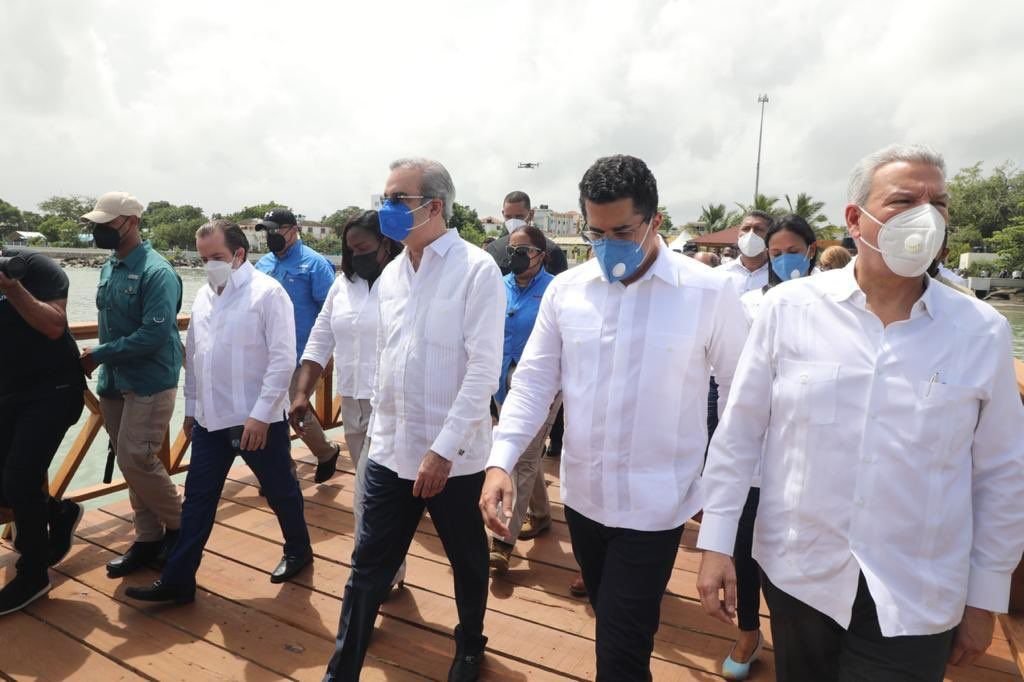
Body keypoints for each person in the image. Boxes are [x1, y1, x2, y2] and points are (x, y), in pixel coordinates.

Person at [697, 144, 1024, 682]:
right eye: (903, 200)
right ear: (856, 218)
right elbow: (739, 435)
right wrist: (715, 545)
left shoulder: (981, 331)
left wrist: (985, 596)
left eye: (938, 203)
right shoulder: (789, 309)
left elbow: (1001, 473)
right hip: (800, 575)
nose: (926, 215)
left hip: (918, 591)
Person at [480, 155, 748, 681]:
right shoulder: (567, 290)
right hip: (583, 497)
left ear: (656, 221)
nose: (607, 246)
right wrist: (501, 461)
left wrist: (721, 530)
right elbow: (534, 382)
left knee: (621, 651)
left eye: (621, 231)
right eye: (595, 233)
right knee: (611, 621)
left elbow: (743, 406)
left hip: (657, 504)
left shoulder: (708, 293)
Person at [323, 158, 504, 682]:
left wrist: (443, 449)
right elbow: (386, 357)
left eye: (396, 199)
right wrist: (380, 431)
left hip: (455, 456)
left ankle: (470, 643)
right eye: (383, 197)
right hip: (390, 451)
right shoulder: (392, 275)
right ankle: (342, 671)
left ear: (434, 207)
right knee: (365, 569)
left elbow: (483, 372)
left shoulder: (476, 270)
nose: (385, 210)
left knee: (467, 561)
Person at [126, 220, 313, 605]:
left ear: (239, 255)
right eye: (204, 258)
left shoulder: (268, 294)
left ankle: (298, 549)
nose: (210, 264)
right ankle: (179, 580)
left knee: (280, 491)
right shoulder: (203, 297)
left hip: (254, 420)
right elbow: (194, 359)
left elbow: (282, 360)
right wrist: (191, 410)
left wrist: (262, 415)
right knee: (198, 499)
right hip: (211, 421)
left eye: (217, 257)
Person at [720, 214, 817, 680]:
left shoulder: (836, 305)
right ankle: (747, 630)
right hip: (755, 450)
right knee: (742, 547)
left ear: (812, 250)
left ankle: (799, 634)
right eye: (775, 254)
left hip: (809, 454)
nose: (783, 260)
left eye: (791, 250)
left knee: (794, 549)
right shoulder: (749, 305)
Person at [290, 210, 408, 592]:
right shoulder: (343, 285)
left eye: (363, 247)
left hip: (393, 404)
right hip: (353, 403)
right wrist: (301, 393)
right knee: (371, 490)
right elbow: (320, 340)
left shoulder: (407, 279)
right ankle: (388, 570)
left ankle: (370, 573)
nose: (354, 254)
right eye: (349, 248)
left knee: (371, 493)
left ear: (386, 244)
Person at [79, 192, 184, 578]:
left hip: (150, 379)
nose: (99, 230)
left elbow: (153, 336)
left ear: (132, 223)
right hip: (114, 381)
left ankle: (181, 526)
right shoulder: (111, 266)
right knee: (132, 462)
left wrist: (100, 353)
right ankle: (147, 538)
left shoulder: (158, 272)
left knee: (136, 458)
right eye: (97, 223)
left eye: (107, 223)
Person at [0, 247, 86, 615]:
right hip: (9, 394)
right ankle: (58, 513)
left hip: (54, 391)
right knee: (7, 484)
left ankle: (33, 574)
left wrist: (12, 287)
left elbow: (54, 326)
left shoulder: (33, 268)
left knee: (21, 478)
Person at [488, 225, 560, 575]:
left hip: (543, 386)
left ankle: (502, 540)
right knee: (522, 452)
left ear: (541, 255)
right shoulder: (498, 287)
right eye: (511, 249)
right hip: (503, 382)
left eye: (524, 250)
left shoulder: (554, 290)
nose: (514, 256)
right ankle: (543, 516)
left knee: (523, 458)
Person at [255, 208, 341, 483]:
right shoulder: (263, 265)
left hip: (302, 354)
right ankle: (283, 471)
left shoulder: (314, 264)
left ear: (294, 229)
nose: (271, 236)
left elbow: (333, 311)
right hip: (265, 353)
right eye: (266, 231)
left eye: (276, 230)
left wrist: (326, 354)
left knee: (295, 408)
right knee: (268, 411)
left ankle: (325, 453)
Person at [484, 191, 569, 276]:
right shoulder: (492, 250)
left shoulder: (552, 251)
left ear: (531, 214)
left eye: (519, 216)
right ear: (503, 214)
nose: (513, 221)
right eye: (508, 217)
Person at [719, 212, 771, 294]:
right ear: (738, 234)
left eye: (758, 229)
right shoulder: (719, 273)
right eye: (746, 228)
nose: (751, 233)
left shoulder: (779, 276)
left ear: (770, 235)